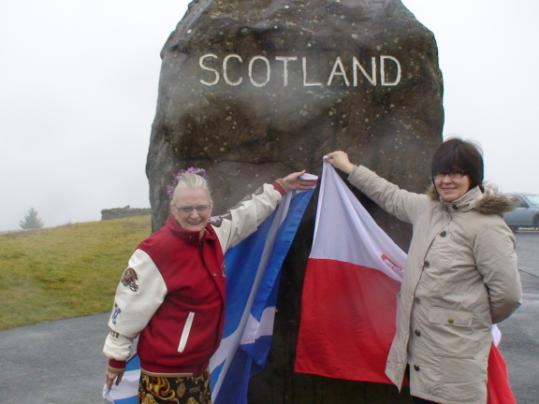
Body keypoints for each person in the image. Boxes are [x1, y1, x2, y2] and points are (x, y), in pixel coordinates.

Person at [325, 138, 522, 404]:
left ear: (473, 177)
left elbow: (507, 296)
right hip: (419, 354)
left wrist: (470, 316)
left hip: (457, 358)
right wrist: (349, 168)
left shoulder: (488, 227)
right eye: (441, 173)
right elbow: (389, 194)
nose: (446, 180)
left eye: (456, 173)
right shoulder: (427, 209)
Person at [103, 168, 316, 403]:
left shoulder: (215, 234)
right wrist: (116, 359)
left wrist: (280, 188)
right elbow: (128, 306)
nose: (195, 215)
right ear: (173, 209)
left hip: (199, 369)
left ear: (210, 206)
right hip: (165, 373)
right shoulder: (155, 252)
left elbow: (245, 216)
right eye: (186, 209)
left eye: (201, 207)